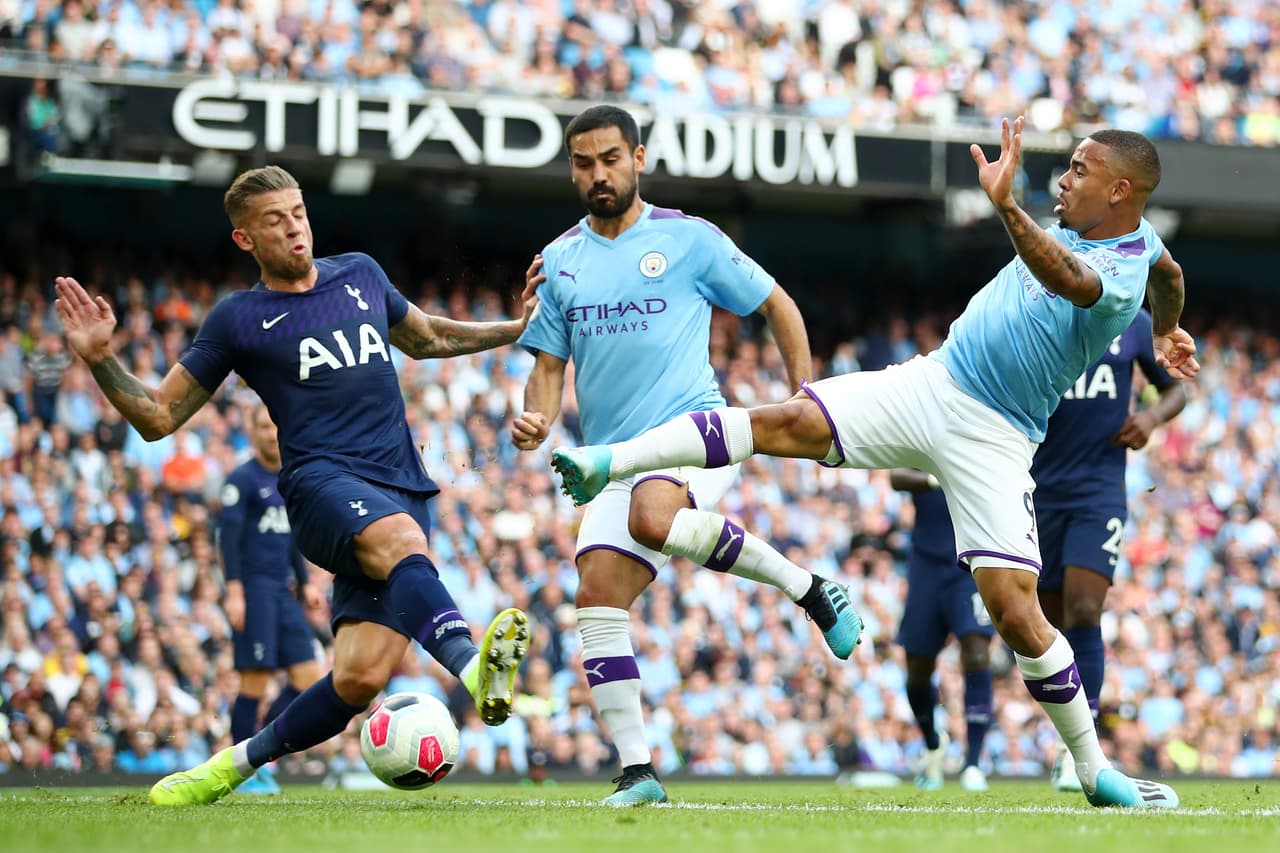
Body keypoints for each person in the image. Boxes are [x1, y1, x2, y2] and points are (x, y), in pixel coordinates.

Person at [552, 118, 1199, 808]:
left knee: (1014, 614)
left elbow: (1068, 276)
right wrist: (1167, 328)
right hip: (936, 381)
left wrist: (1006, 206)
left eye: (1078, 170)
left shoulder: (1114, 272)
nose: (1063, 180)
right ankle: (607, 460)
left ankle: (1096, 768)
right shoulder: (1143, 249)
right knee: (788, 420)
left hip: (997, 435)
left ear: (1120, 190)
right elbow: (1172, 270)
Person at [54, 165, 535, 806]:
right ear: (245, 240)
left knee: (359, 680)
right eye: (274, 221)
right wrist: (98, 356)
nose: (294, 228)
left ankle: (226, 768)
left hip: (402, 484)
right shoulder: (238, 319)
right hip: (320, 485)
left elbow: (426, 336)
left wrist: (516, 330)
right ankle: (478, 673)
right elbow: (158, 416)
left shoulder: (360, 273)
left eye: (298, 213)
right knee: (402, 543)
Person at [509, 105, 862, 806]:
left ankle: (806, 590)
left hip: (696, 430)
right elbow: (548, 367)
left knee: (651, 513)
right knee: (596, 600)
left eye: (611, 159)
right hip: (611, 453)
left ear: (638, 158)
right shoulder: (560, 262)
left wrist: (804, 397)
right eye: (584, 163)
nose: (598, 174)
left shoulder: (690, 240)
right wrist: (537, 417)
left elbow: (777, 303)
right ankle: (639, 771)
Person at [1033, 309, 1186, 791]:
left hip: (1099, 490)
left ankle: (1082, 753)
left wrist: (1150, 416)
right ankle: (1068, 742)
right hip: (1037, 488)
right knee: (1051, 624)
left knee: (1084, 608)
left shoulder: (1133, 324)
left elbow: (1176, 390)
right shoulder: (1038, 321)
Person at [221, 403, 326, 795]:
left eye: (274, 425)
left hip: (283, 591)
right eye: (263, 426)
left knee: (309, 677)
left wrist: (306, 583)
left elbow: (293, 537)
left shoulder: (289, 477)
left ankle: (259, 751)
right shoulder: (242, 480)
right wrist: (234, 592)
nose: (270, 433)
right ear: (251, 432)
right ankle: (237, 769)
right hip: (253, 590)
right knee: (255, 680)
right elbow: (227, 540)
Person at [890, 468, 994, 792]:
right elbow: (896, 477)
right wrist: (942, 475)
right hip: (926, 565)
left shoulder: (981, 425)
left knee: (977, 652)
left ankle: (974, 762)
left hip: (969, 561)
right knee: (917, 669)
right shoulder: (921, 426)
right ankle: (933, 743)